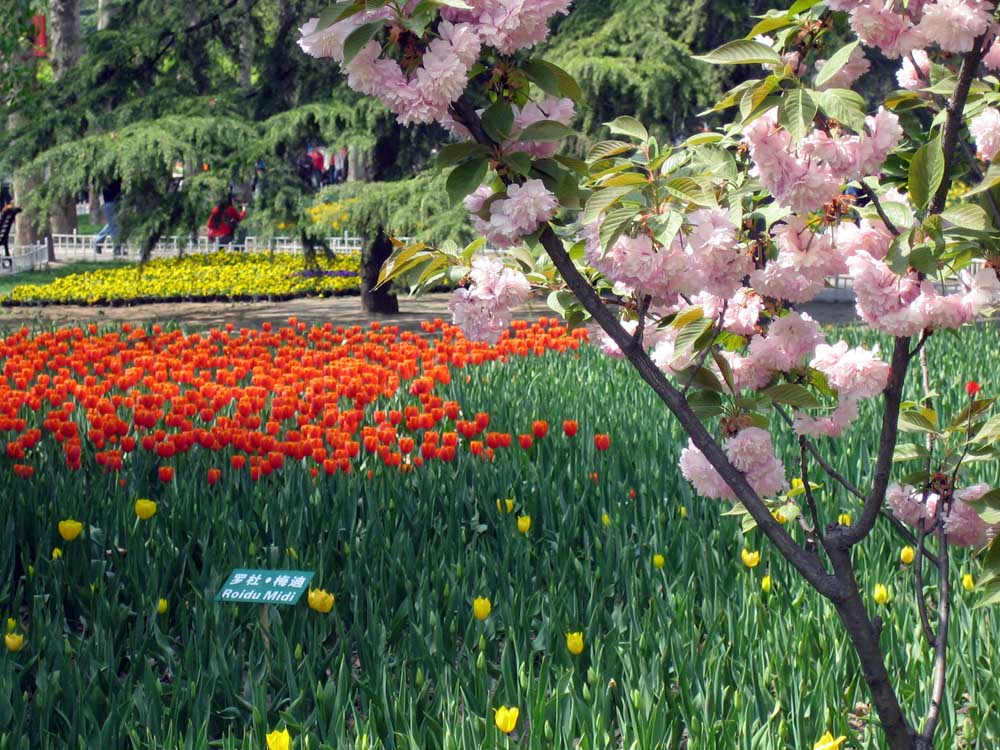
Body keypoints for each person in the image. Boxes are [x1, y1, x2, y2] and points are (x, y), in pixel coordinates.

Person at [94, 179, 123, 256]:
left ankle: (97, 241)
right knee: (114, 226)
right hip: (110, 203)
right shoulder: (110, 177)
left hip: (114, 203)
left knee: (112, 224)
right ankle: (117, 248)